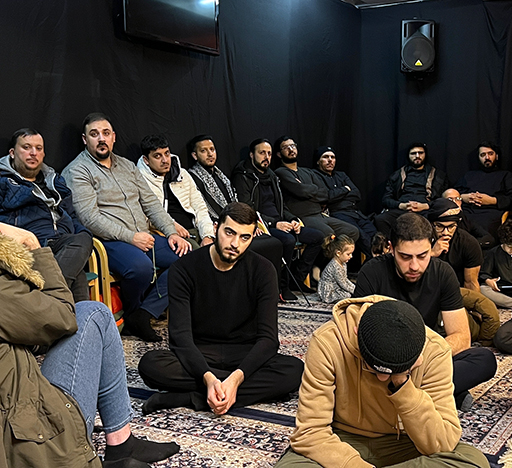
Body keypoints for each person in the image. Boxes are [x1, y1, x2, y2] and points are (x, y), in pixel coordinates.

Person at [0, 222, 179, 468]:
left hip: (17, 406)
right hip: (28, 442)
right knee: (94, 313)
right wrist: (33, 246)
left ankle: (121, 442)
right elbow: (63, 318)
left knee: (83, 250)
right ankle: (117, 443)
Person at [275, 297, 490, 468]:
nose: (381, 379)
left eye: (389, 372)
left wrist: (402, 382)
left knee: (473, 461)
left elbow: (441, 443)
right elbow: (310, 432)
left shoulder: (434, 350)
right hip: (339, 440)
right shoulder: (328, 342)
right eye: (373, 368)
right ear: (357, 334)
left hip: (404, 442)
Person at [138, 202, 304, 415]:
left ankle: (191, 397)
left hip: (244, 352)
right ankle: (225, 389)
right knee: (150, 365)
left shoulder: (264, 270)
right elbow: (180, 338)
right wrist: (208, 378)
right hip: (201, 352)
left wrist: (236, 379)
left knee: (293, 370)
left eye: (245, 237)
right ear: (216, 228)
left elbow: (268, 339)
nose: (235, 243)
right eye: (229, 233)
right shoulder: (184, 269)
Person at [62, 113, 190, 342]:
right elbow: (89, 218)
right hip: (109, 240)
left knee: (188, 258)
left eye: (106, 133)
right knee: (140, 268)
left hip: (144, 235)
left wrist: (171, 232)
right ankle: (132, 312)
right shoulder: (78, 170)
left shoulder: (127, 166)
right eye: (94, 134)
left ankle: (144, 312)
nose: (101, 139)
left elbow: (151, 204)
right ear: (85, 139)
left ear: (113, 137)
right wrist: (131, 237)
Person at [353, 212, 497, 409]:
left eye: (422, 256)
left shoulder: (443, 273)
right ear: (391, 248)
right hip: (383, 361)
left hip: (425, 357)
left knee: (484, 360)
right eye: (405, 257)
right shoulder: (372, 272)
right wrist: (396, 360)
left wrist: (418, 357)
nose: (414, 266)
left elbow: (461, 337)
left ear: (431, 247)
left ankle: (403, 393)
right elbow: (355, 331)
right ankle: (439, 391)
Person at [0, 128, 93, 302]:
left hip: (61, 242)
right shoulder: (3, 181)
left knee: (83, 239)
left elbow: (71, 215)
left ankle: (48, 299)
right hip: (29, 246)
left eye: (38, 148)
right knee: (78, 277)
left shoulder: (55, 181)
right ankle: (53, 300)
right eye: (26, 147)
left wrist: (84, 235)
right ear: (12, 153)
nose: (33, 153)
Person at [231, 138, 324, 299]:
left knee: (317, 237)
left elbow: (282, 206)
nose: (266, 157)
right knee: (287, 240)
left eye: (269, 153)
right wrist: (275, 223)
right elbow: (247, 209)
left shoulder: (272, 175)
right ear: (252, 155)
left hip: (280, 222)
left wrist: (293, 219)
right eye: (262, 153)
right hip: (262, 225)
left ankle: (296, 278)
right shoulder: (243, 176)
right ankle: (282, 286)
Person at [186, 134, 285, 286]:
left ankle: (270, 289)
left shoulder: (220, 175)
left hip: (235, 223)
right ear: (195, 155)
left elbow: (235, 203)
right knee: (259, 245)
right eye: (204, 151)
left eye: (212, 149)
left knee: (273, 243)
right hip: (218, 227)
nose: (210, 154)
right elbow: (202, 208)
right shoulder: (192, 177)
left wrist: (247, 224)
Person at [273, 136, 360, 242]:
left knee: (352, 231)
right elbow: (302, 191)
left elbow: (324, 194)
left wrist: (307, 190)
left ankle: (338, 253)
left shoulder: (308, 171)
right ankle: (333, 252)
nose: (291, 149)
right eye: (286, 147)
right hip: (303, 216)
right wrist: (312, 189)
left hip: (320, 214)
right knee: (329, 235)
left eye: (293, 146)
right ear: (279, 154)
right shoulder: (281, 172)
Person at [136, 133, 214, 250]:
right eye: (157, 156)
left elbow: (200, 207)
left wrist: (207, 235)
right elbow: (146, 217)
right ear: (146, 160)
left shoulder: (182, 174)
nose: (165, 160)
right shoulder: (139, 180)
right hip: (169, 234)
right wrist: (172, 226)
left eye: (167, 153)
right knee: (201, 255)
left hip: (196, 230)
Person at [312, 145, 376, 257]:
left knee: (374, 233)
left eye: (332, 157)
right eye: (325, 157)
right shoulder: (314, 175)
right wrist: (346, 189)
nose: (330, 160)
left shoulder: (341, 175)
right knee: (362, 236)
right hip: (338, 214)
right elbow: (327, 196)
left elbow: (357, 194)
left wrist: (337, 195)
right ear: (318, 161)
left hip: (355, 212)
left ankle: (375, 260)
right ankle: (377, 260)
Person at [374, 142, 449, 237]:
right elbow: (385, 200)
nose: (417, 156)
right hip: (403, 208)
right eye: (413, 153)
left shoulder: (438, 175)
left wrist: (425, 206)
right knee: (380, 219)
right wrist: (402, 205)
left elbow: (444, 200)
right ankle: (392, 244)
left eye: (420, 153)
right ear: (408, 156)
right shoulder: (397, 175)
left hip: (426, 209)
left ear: (425, 154)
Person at [455, 142, 512, 237]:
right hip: (468, 210)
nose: (487, 157)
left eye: (490, 154)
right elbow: (452, 192)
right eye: (483, 155)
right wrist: (463, 197)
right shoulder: (469, 175)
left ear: (497, 156)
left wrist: (491, 200)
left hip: (491, 212)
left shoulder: (506, 176)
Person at [428, 198, 483, 292]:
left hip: (457, 291)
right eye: (439, 226)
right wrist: (432, 253)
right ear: (431, 224)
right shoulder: (421, 238)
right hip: (425, 289)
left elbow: (471, 283)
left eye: (451, 226)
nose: (445, 232)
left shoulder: (469, 243)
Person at [479, 217, 512, 308]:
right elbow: (484, 273)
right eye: (509, 246)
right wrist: (488, 281)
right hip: (500, 289)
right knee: (482, 289)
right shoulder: (493, 253)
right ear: (503, 241)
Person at [317, 234, 356, 303]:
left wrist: (355, 288)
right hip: (329, 291)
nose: (351, 256)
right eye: (348, 254)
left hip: (337, 287)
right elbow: (343, 283)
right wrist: (356, 291)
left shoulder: (343, 263)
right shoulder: (335, 266)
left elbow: (345, 279)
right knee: (347, 295)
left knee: (350, 292)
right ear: (338, 253)